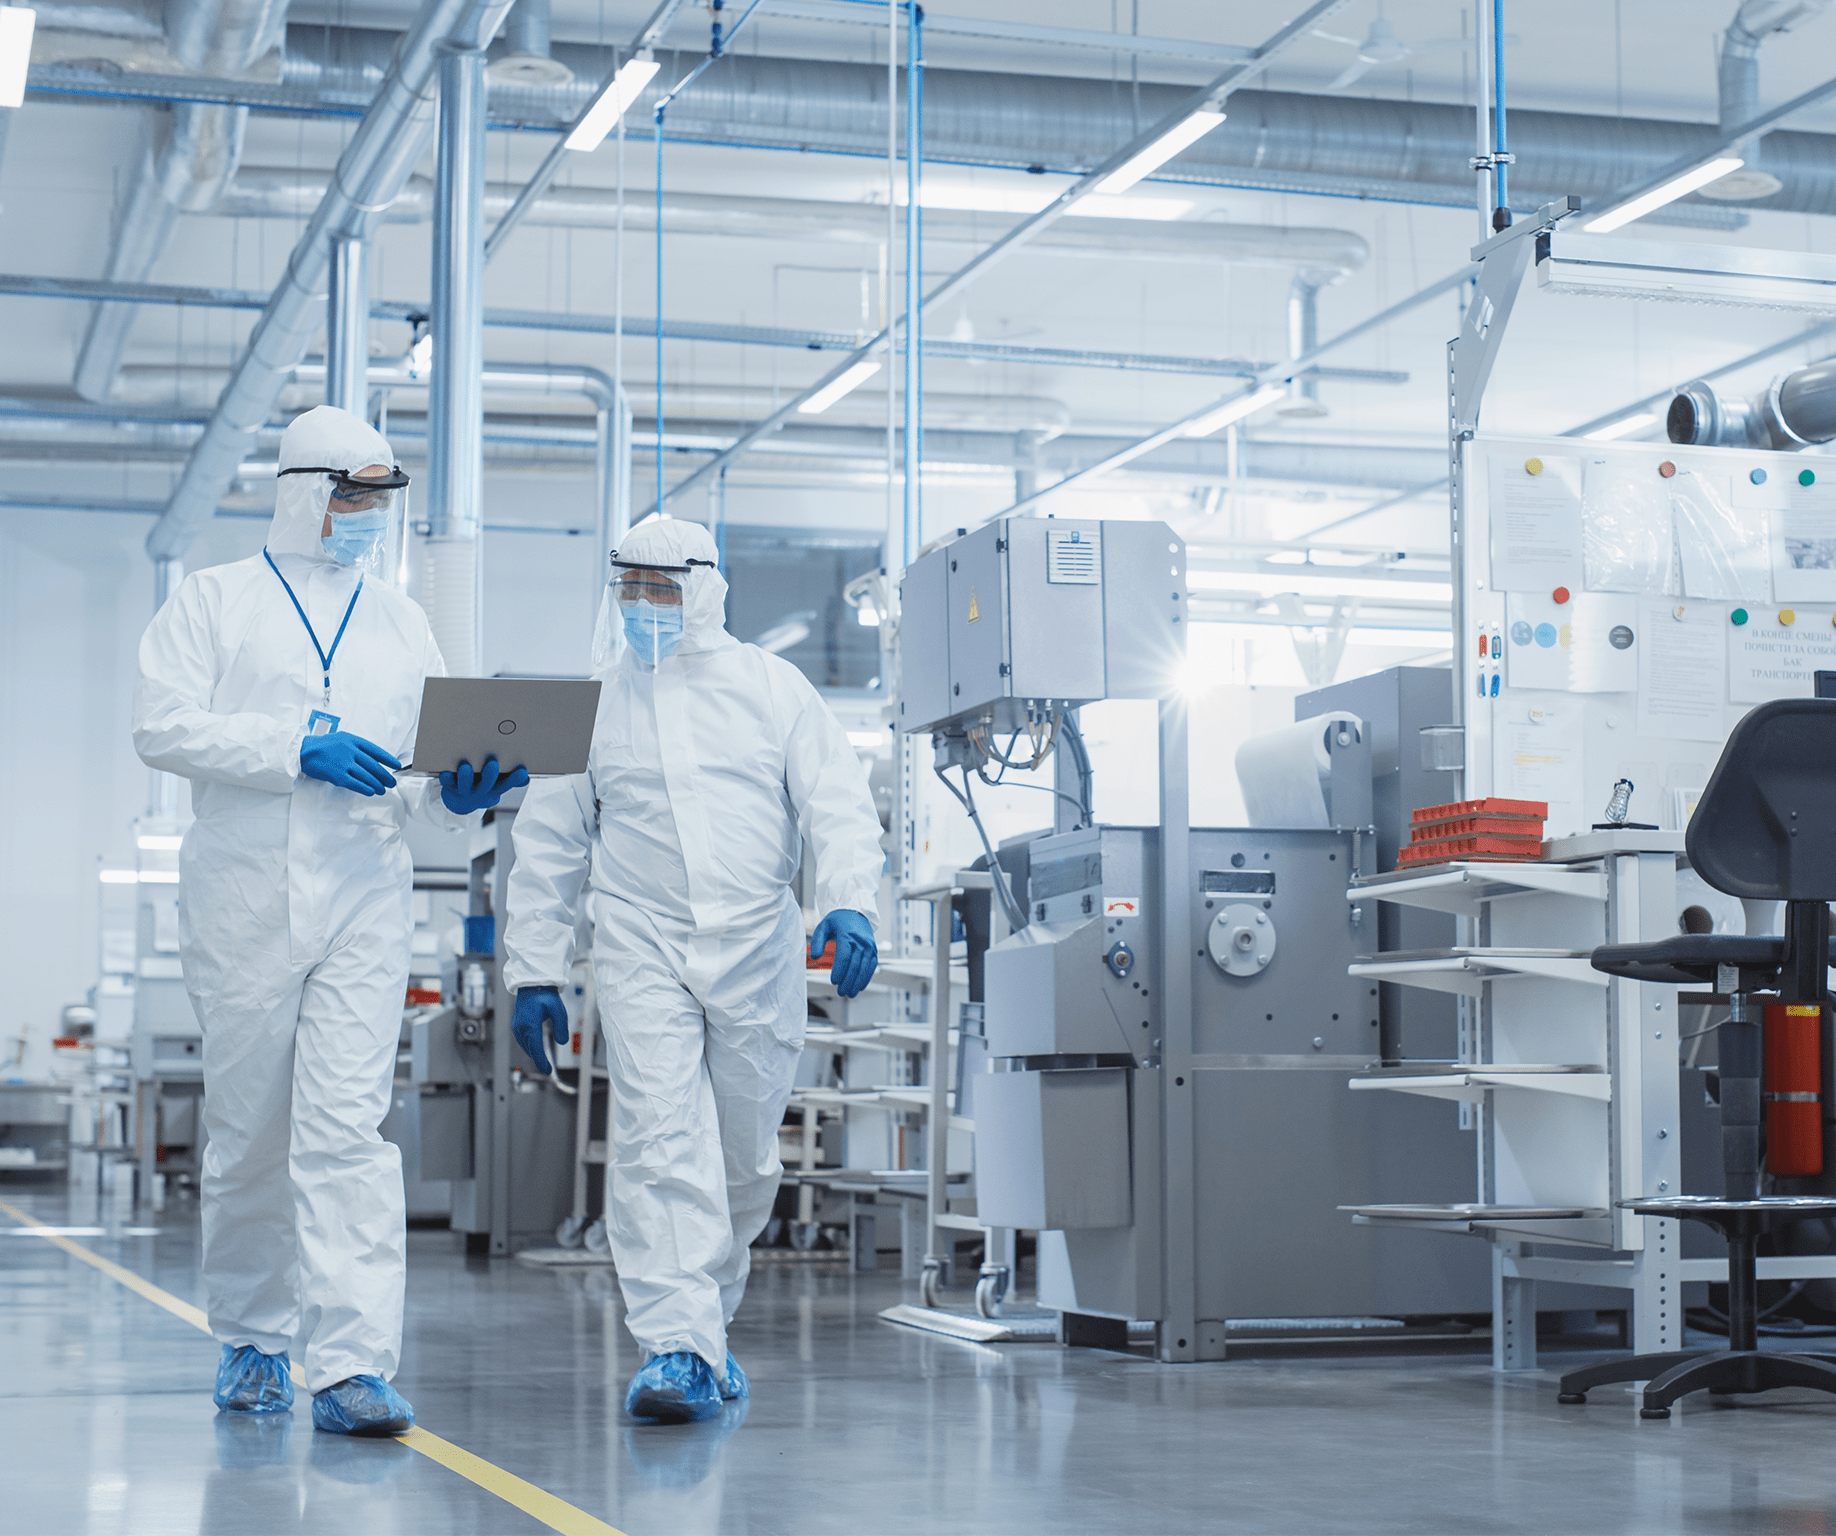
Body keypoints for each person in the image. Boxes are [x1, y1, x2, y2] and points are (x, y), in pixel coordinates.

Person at [133, 405, 526, 1437]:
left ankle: (350, 1364)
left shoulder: (400, 622)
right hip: (242, 894)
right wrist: (294, 745)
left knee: (348, 1132)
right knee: (250, 1129)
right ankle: (255, 1339)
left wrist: (469, 787)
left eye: (381, 501)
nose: (368, 518)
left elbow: (426, 782)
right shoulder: (213, 602)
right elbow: (160, 726)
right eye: (355, 497)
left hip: (363, 888)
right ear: (305, 489)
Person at [502, 516, 883, 1424]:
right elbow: (549, 842)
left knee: (745, 1158)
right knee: (658, 1138)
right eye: (629, 587)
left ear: (705, 589)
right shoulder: (591, 702)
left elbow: (837, 803)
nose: (643, 606)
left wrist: (851, 899)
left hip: (758, 945)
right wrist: (534, 970)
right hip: (640, 941)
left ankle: (706, 1328)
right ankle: (675, 1348)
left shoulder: (773, 689)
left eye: (661, 588)